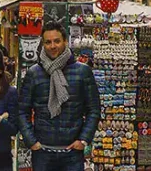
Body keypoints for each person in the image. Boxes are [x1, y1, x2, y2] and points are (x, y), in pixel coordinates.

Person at [18, 22, 100, 171]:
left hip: (72, 153)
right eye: (48, 42)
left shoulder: (82, 72)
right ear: (43, 44)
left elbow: (93, 110)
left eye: (57, 41)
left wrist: (83, 140)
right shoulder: (34, 73)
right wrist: (31, 141)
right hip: (42, 152)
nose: (52, 46)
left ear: (65, 41)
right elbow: (22, 110)